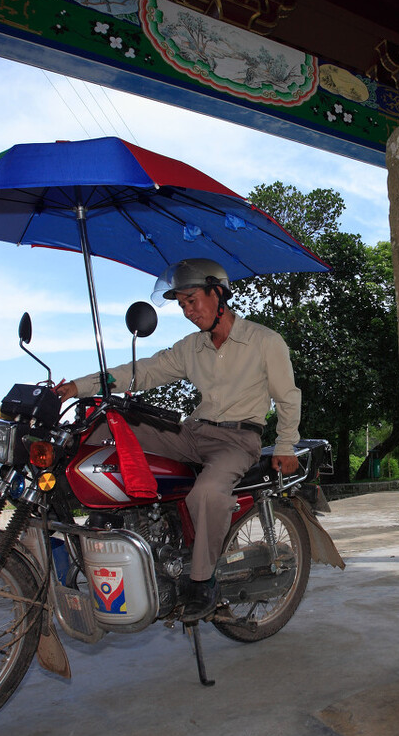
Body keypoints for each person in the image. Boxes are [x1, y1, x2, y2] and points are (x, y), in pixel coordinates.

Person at [55, 258, 301, 621]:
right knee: (109, 425)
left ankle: (203, 582)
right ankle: (70, 496)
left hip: (238, 440)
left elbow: (287, 396)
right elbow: (142, 372)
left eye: (191, 301)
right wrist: (79, 387)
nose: (187, 311)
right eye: (182, 305)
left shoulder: (264, 341)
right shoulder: (191, 347)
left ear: (218, 293)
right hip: (192, 433)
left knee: (206, 494)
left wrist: (285, 446)